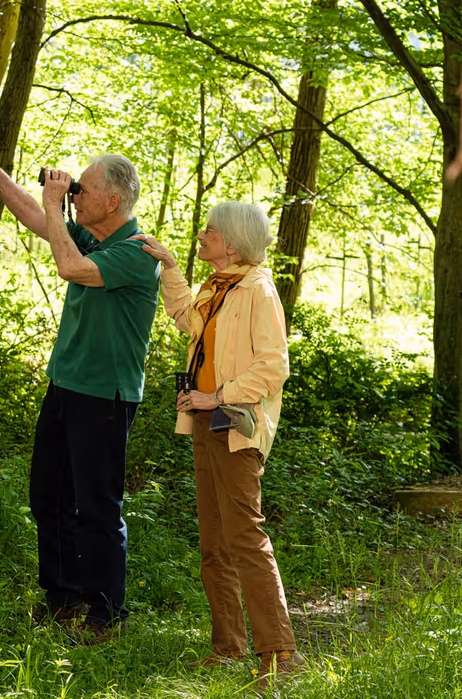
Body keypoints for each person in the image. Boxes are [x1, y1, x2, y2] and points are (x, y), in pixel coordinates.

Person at [0, 131, 160, 644]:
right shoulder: (94, 235)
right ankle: (63, 599)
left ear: (113, 201)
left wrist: (53, 201)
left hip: (106, 396)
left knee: (97, 508)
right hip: (66, 386)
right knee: (48, 497)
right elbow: (35, 217)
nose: (74, 196)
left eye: (83, 190)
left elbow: (68, 266)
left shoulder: (136, 252)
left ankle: (106, 616)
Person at [134, 203, 305, 687]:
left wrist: (218, 395)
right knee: (214, 542)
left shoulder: (258, 288)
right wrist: (170, 267)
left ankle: (280, 652)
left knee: (245, 538)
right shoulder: (216, 285)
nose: (202, 234)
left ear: (232, 242)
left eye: (210, 229)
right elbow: (187, 319)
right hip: (204, 421)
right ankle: (227, 648)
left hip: (235, 420)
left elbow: (274, 367)